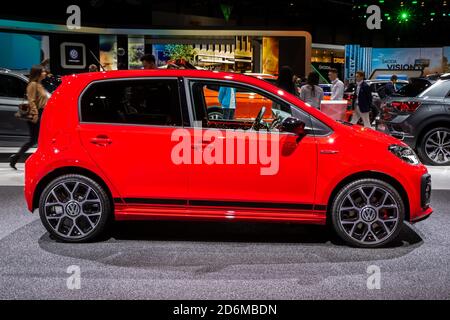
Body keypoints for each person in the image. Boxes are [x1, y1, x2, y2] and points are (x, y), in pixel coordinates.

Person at [10, 65, 49, 170]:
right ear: (38, 74)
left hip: (41, 114)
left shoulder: (39, 85)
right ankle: (16, 158)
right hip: (35, 115)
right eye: (43, 72)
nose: (45, 73)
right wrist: (35, 114)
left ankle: (16, 158)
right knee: (34, 140)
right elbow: (31, 101)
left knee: (38, 140)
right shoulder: (32, 85)